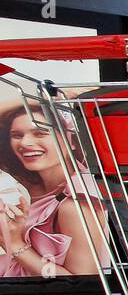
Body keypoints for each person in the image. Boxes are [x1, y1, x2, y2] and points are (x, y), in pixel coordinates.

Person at [0, 101, 109, 277]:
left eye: (40, 133)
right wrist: (44, 100)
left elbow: (81, 283)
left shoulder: (74, 205)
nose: (26, 143)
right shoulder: (32, 184)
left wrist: (16, 245)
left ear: (71, 139)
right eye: (17, 135)